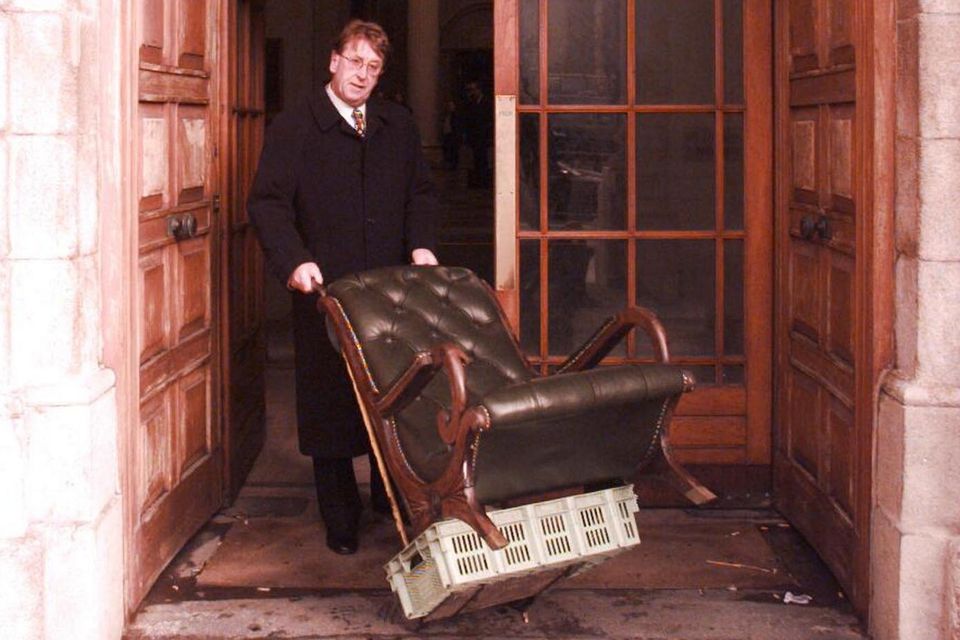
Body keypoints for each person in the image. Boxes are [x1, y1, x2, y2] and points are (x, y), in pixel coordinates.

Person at [247, 19, 439, 555]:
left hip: (391, 291)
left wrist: (421, 244)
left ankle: (390, 499)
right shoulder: (295, 126)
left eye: (374, 67)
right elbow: (267, 203)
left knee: (394, 398)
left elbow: (421, 194)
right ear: (334, 61)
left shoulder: (395, 124)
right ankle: (340, 517)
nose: (363, 74)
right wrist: (294, 261)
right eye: (355, 61)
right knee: (331, 404)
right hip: (324, 291)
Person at [462, 80, 493, 187]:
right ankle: (478, 181)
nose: (471, 92)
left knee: (484, 159)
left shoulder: (487, 103)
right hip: (474, 136)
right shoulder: (470, 103)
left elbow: (489, 119)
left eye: (473, 89)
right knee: (476, 159)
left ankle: (484, 181)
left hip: (484, 136)